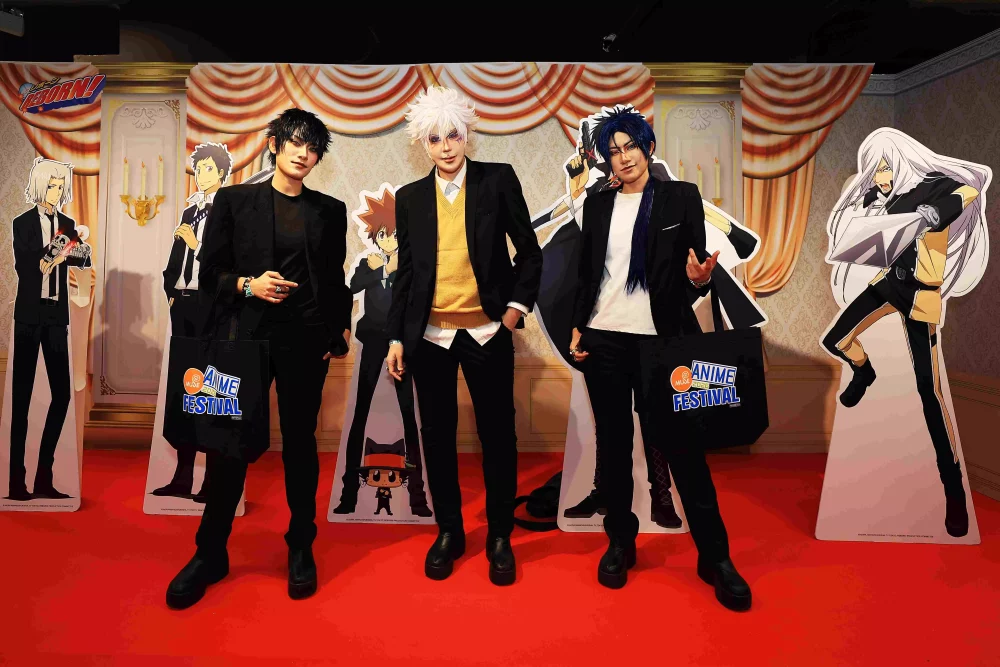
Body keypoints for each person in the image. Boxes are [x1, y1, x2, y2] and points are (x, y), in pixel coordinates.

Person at [165, 108, 352, 609]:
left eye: (312, 147)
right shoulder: (234, 201)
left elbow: (334, 280)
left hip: (305, 344)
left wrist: (338, 331)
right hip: (243, 342)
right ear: (274, 145)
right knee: (228, 447)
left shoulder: (329, 210)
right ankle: (210, 553)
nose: (303, 154)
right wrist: (249, 285)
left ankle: (300, 545)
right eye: (294, 142)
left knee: (300, 446)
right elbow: (209, 275)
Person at [569, 106, 751, 611]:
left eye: (630, 146)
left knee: (684, 450)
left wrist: (699, 280)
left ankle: (715, 557)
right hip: (606, 339)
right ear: (605, 160)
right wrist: (579, 325)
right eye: (613, 151)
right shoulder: (597, 205)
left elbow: (695, 271)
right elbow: (587, 274)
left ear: (647, 147)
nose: (623, 157)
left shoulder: (679, 197)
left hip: (663, 343)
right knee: (613, 448)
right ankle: (620, 543)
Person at [385, 87, 543, 586]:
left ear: (467, 134)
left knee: (498, 436)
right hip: (430, 337)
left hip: (488, 331)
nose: (446, 147)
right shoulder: (410, 198)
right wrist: (396, 338)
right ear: (423, 144)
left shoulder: (498, 180)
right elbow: (406, 275)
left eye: (453, 135)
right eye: (435, 139)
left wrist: (513, 313)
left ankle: (499, 537)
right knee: (436, 438)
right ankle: (449, 532)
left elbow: (530, 253)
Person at [821, 128, 990, 538]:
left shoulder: (938, 184)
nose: (881, 177)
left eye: (885, 168)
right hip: (888, 284)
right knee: (835, 339)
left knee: (928, 390)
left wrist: (934, 214)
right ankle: (865, 371)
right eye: (875, 171)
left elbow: (972, 188)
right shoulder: (888, 195)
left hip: (921, 295)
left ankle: (953, 488)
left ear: (900, 159)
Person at [332, 188, 431, 517]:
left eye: (395, 234)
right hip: (373, 343)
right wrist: (381, 270)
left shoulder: (412, 262)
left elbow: (420, 294)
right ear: (375, 236)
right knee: (359, 415)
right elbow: (352, 287)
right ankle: (348, 494)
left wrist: (394, 269)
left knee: (410, 417)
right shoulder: (368, 262)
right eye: (384, 234)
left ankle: (418, 497)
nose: (390, 240)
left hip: (405, 344)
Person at [7, 157, 91, 501]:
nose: (57, 191)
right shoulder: (22, 223)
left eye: (61, 186)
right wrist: (61, 249)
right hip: (29, 315)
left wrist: (70, 250)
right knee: (21, 399)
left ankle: (44, 477)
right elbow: (30, 268)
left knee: (62, 395)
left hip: (57, 315)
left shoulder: (67, 223)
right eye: (52, 185)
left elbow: (84, 258)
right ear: (40, 186)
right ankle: (16, 482)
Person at [153, 142, 233, 502]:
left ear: (222, 172)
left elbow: (230, 260)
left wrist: (196, 244)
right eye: (198, 169)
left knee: (209, 392)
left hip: (212, 306)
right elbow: (175, 259)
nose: (201, 175)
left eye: (208, 168)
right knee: (184, 389)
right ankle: (182, 477)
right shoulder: (191, 210)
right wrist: (171, 290)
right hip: (183, 305)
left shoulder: (230, 209)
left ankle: (211, 482)